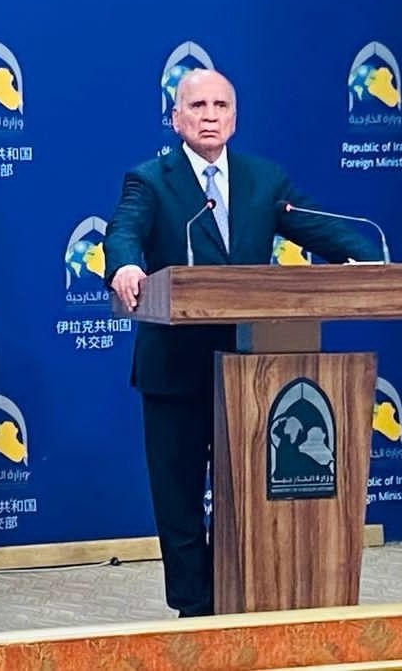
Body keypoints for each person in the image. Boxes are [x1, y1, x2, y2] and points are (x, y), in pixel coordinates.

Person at [104, 69, 380, 618]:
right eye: (197, 106)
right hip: (177, 368)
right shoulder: (150, 180)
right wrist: (126, 265)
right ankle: (196, 610)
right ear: (175, 118)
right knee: (179, 498)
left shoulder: (264, 179)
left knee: (251, 491)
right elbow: (125, 230)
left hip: (254, 370)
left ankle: (253, 595)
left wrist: (368, 260)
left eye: (220, 105)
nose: (209, 115)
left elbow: (317, 228)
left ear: (234, 117)